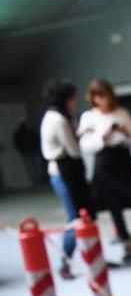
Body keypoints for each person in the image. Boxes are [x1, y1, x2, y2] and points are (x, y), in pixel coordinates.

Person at [78, 79, 131, 261]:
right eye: (99, 96)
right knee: (115, 206)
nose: (103, 100)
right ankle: (126, 243)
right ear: (94, 98)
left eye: (105, 95)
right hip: (104, 161)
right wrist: (102, 135)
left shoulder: (121, 113)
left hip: (123, 158)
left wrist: (127, 134)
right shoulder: (88, 117)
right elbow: (85, 145)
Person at [39, 79, 96, 280]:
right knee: (76, 218)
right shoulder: (59, 119)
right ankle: (66, 262)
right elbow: (72, 149)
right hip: (65, 173)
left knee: (77, 217)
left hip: (61, 171)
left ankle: (88, 259)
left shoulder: (51, 116)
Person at [13, 122, 47, 186]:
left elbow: (17, 143)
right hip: (31, 150)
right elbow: (36, 139)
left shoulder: (19, 133)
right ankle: (38, 180)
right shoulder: (29, 131)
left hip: (28, 151)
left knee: (32, 167)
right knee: (35, 166)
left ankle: (37, 180)